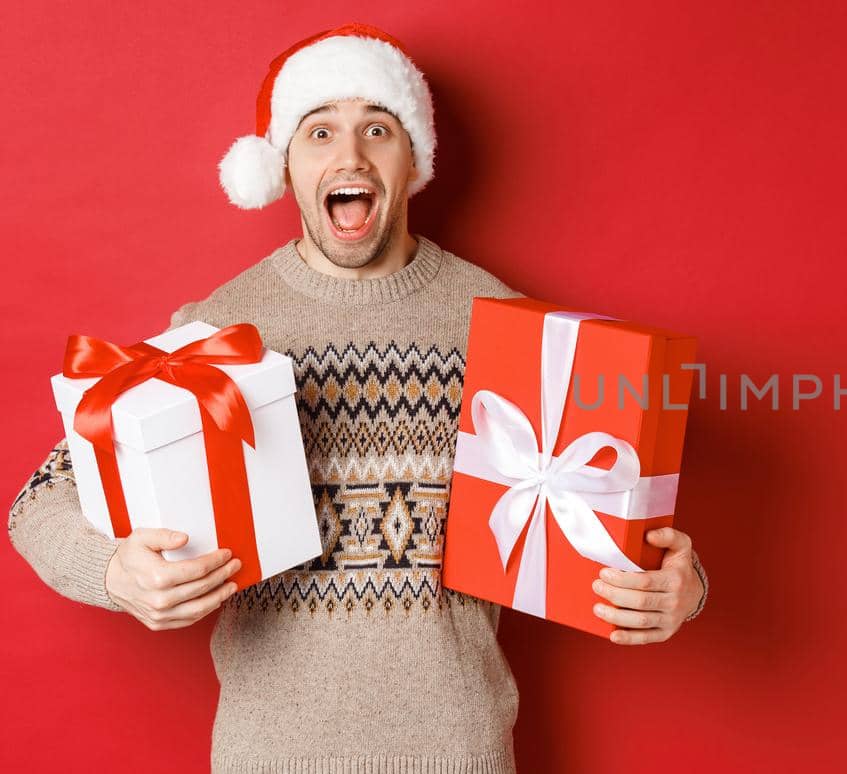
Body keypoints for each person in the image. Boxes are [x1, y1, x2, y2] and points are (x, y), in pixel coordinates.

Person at [7, 22, 707, 772]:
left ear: (413, 160)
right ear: (283, 165)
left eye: (377, 128)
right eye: (319, 132)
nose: (349, 156)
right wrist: (113, 571)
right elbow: (36, 504)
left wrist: (682, 589)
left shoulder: (510, 329)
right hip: (269, 757)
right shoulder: (214, 334)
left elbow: (617, 529)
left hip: (458, 753)